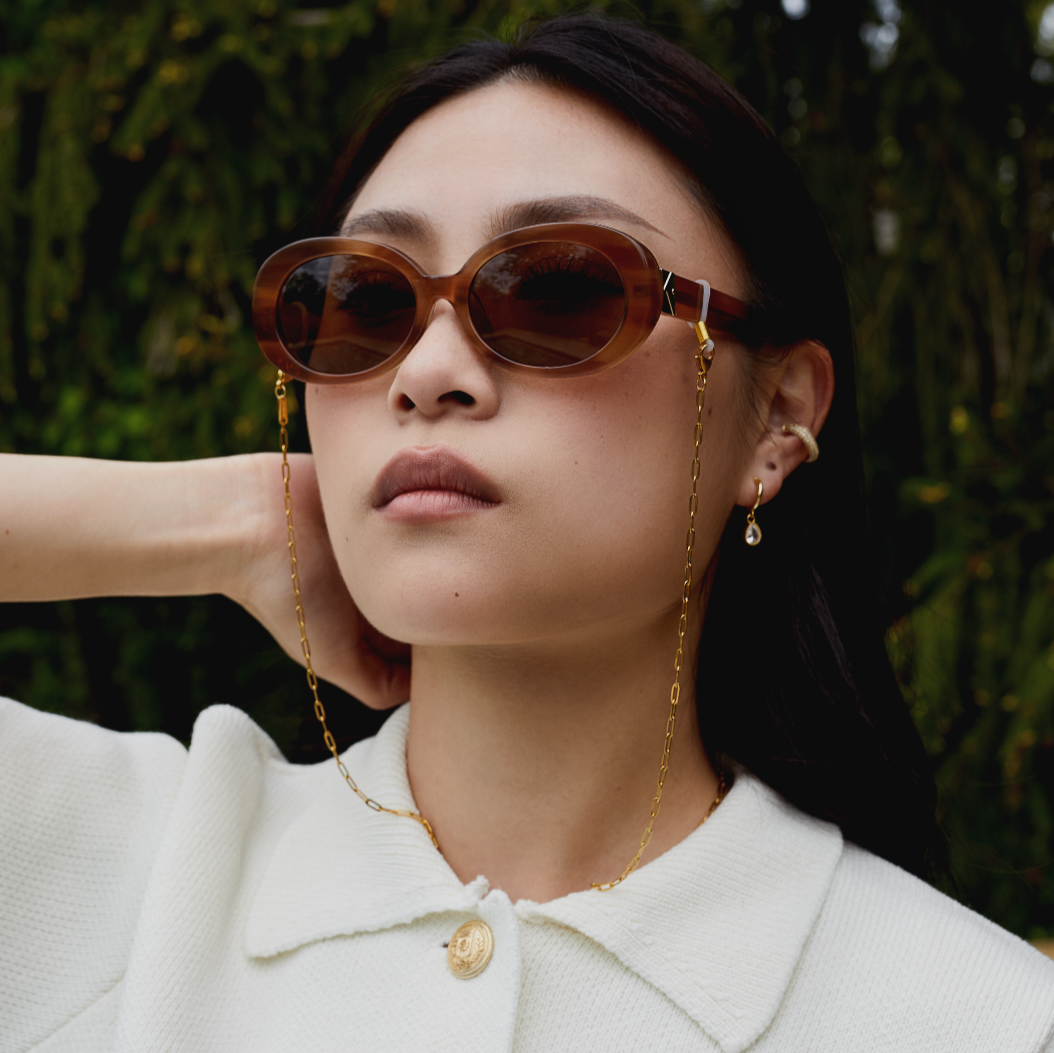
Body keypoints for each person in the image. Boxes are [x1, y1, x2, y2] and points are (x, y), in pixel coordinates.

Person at [1, 13, 1052, 1053]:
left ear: (777, 417)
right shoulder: (106, 871)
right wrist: (225, 524)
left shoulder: (979, 1016)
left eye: (559, 292)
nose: (423, 374)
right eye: (363, 301)